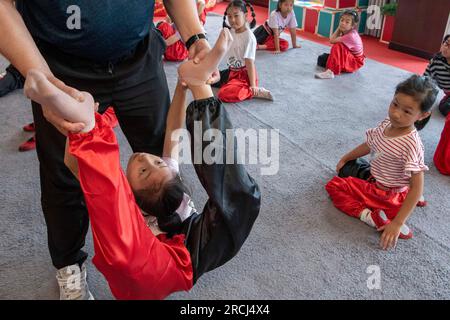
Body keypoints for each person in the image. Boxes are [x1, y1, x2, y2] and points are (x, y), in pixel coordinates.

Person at [0, 0, 216, 300]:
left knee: (158, 155)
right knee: (64, 176)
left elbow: (173, 137)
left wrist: (195, 37)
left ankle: (161, 229)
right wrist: (44, 79)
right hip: (60, 67)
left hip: (139, 54)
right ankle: (68, 265)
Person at [23, 28, 261, 299]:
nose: (144, 157)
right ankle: (202, 86)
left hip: (162, 265)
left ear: (134, 194)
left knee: (117, 227)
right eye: (156, 162)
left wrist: (74, 132)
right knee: (242, 201)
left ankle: (86, 127)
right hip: (190, 249)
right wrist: (185, 87)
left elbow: (75, 166)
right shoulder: (165, 179)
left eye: (144, 170)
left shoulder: (126, 205)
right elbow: (173, 129)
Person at [325, 75, 438, 250]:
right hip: (379, 175)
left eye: (407, 111)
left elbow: (418, 186)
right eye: (395, 104)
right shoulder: (387, 123)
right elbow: (371, 145)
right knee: (347, 168)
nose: (396, 113)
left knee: (335, 185)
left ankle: (370, 216)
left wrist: (398, 223)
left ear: (423, 115)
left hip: (386, 195)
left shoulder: (411, 143)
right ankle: (406, 197)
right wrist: (346, 157)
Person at [212, 0, 273, 102]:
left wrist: (253, 85)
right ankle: (232, 84)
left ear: (245, 16)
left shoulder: (249, 37)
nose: (232, 20)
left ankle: (252, 91)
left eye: (236, 16)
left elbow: (249, 63)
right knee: (206, 79)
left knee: (223, 94)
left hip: (244, 76)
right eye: (229, 16)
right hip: (231, 72)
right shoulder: (229, 32)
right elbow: (218, 52)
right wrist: (213, 69)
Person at [315, 10, 365, 80]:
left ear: (353, 25)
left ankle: (330, 72)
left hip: (355, 62)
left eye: (347, 22)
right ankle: (338, 66)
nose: (343, 23)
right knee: (322, 59)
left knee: (338, 45)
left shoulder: (350, 36)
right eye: (342, 20)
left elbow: (332, 40)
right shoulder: (347, 31)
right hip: (349, 56)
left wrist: (339, 27)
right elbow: (332, 39)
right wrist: (340, 27)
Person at [424, 35, 450, 116]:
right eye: (446, 44)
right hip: (448, 92)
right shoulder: (435, 61)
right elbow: (426, 79)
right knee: (444, 109)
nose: (446, 48)